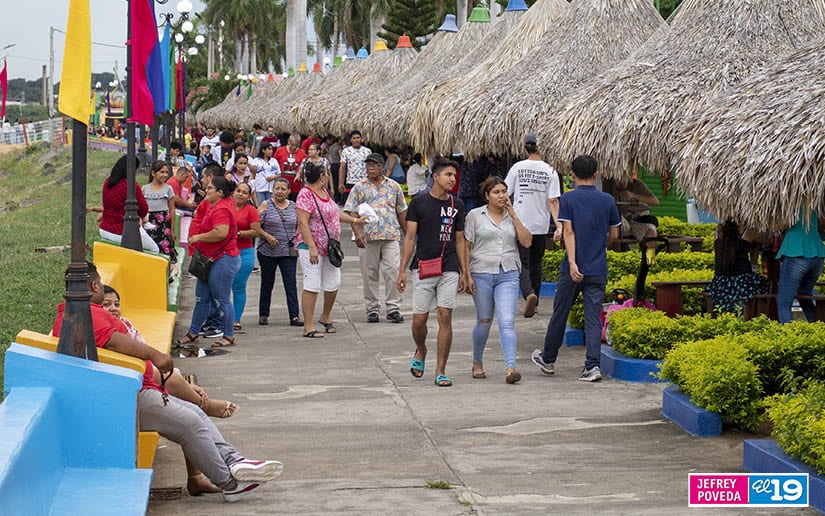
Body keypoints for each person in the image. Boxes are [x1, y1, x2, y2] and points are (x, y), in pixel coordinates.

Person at [53, 262, 283, 502]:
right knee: (190, 424)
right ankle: (230, 483)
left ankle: (235, 461)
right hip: (127, 395)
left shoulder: (76, 313)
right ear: (94, 285)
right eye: (100, 284)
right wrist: (155, 355)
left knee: (195, 412)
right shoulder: (86, 314)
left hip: (134, 387)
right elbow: (113, 341)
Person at [532, 155, 621, 382]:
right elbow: (614, 233)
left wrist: (572, 263)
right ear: (596, 174)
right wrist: (602, 246)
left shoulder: (568, 199)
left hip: (572, 269)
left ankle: (548, 359)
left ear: (571, 174)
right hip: (598, 267)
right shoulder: (608, 200)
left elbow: (568, 231)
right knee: (593, 318)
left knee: (560, 313)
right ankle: (592, 366)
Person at [102, 286, 239, 420]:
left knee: (170, 376)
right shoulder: (106, 330)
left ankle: (195, 397)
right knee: (168, 379)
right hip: (134, 373)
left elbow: (143, 346)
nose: (113, 308)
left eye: (116, 304)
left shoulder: (125, 323)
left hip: (146, 367)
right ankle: (205, 405)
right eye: (106, 305)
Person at [397, 159, 469, 387]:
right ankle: (421, 348)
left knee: (445, 315)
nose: (452, 179)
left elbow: (460, 239)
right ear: (435, 177)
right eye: (448, 174)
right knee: (419, 320)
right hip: (423, 266)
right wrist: (402, 269)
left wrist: (465, 272)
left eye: (454, 175)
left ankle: (441, 370)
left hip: (449, 266)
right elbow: (410, 237)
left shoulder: (457, 205)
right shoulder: (419, 202)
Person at [463, 176, 532, 384]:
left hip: (508, 272)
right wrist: (465, 274)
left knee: (506, 321)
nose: (501, 196)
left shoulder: (513, 216)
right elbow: (466, 245)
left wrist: (514, 216)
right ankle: (477, 361)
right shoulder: (475, 216)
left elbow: (527, 242)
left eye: (504, 192)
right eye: (496, 192)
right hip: (481, 272)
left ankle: (510, 368)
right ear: (487, 196)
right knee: (484, 320)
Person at [295, 161, 368, 338]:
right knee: (312, 284)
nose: (329, 176)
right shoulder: (305, 194)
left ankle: (325, 316)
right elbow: (303, 222)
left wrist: (355, 221)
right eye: (326, 174)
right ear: (322, 176)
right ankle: (308, 326)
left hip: (330, 246)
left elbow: (335, 213)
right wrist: (312, 247)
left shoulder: (325, 193)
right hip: (311, 246)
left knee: (333, 282)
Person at [176, 176, 240, 349]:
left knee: (222, 299)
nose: (206, 190)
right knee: (201, 298)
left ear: (219, 192)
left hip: (222, 259)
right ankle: (193, 332)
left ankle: (228, 335)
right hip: (211, 258)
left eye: (210, 188)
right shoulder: (217, 205)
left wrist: (199, 237)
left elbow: (221, 232)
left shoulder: (222, 209)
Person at [344, 153, 408, 323]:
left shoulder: (393, 186)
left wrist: (408, 234)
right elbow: (352, 212)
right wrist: (357, 233)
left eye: (374, 165)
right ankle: (372, 309)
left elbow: (401, 211)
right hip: (367, 237)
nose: (370, 168)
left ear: (382, 167)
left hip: (390, 235)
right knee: (369, 274)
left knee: (392, 271)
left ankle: (393, 308)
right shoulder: (359, 187)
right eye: (368, 165)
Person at [505, 132, 561, 318]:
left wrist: (510, 213)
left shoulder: (517, 168)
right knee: (536, 263)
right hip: (541, 224)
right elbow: (553, 201)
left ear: (525, 148)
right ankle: (534, 303)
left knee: (523, 262)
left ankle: (528, 293)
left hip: (521, 223)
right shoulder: (550, 171)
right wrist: (559, 225)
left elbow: (505, 193)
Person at [257, 177, 302, 327]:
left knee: (291, 283)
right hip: (267, 251)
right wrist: (267, 236)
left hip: (288, 252)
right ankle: (263, 314)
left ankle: (294, 316)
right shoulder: (266, 205)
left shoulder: (294, 206)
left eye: (283, 189)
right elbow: (255, 225)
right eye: (277, 188)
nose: (280, 192)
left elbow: (300, 225)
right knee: (267, 282)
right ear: (273, 190)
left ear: (288, 191)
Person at [97, 154, 159, 252]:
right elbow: (143, 209)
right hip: (122, 231)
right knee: (154, 250)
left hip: (104, 229)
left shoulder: (108, 182)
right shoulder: (132, 186)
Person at [705, 220, 770, 313]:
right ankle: (758, 317)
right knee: (766, 285)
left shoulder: (718, 230)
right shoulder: (748, 231)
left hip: (719, 282)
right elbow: (768, 241)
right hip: (742, 280)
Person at [776, 208, 825, 323]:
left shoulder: (791, 204)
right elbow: (821, 225)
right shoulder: (814, 206)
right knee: (804, 295)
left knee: (784, 302)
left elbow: (784, 223)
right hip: (817, 256)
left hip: (796, 253)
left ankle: (789, 333)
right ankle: (816, 327)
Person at [231, 182, 263, 331]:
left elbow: (256, 231)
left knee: (238, 286)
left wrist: (237, 233)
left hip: (244, 253)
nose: (240, 194)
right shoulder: (226, 207)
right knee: (222, 288)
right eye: (238, 191)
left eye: (244, 192)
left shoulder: (251, 210)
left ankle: (235, 319)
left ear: (249, 196)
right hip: (225, 253)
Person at [601, 175, 660, 242]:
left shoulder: (637, 184)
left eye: (624, 180)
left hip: (637, 219)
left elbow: (655, 201)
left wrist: (634, 195)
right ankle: (612, 247)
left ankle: (649, 249)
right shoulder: (608, 184)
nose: (621, 182)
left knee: (651, 230)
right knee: (616, 229)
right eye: (618, 180)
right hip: (620, 219)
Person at [141, 160, 177, 261]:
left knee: (164, 248)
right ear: (153, 173)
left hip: (164, 224)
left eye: (166, 172)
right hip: (149, 222)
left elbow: (172, 209)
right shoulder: (145, 189)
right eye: (162, 172)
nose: (165, 175)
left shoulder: (168, 189)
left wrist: (172, 230)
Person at [338, 130, 371, 200]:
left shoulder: (367, 151)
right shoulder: (346, 151)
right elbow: (342, 167)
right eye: (354, 138)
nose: (356, 140)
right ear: (351, 140)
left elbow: (370, 166)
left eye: (358, 138)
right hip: (351, 182)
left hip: (365, 181)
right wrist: (340, 183)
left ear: (361, 139)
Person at [274, 133, 306, 201]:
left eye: (296, 145)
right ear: (288, 142)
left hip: (295, 185)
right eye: (292, 145)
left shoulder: (302, 154)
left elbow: (303, 167)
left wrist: (299, 173)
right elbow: (274, 165)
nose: (294, 147)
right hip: (281, 184)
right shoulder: (280, 151)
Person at [327, 136, 344, 204]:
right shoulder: (339, 148)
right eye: (341, 140)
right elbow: (341, 157)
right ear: (339, 140)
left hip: (332, 165)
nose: (342, 142)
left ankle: (334, 197)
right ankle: (339, 198)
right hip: (338, 165)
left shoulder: (331, 147)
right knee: (338, 181)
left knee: (334, 182)